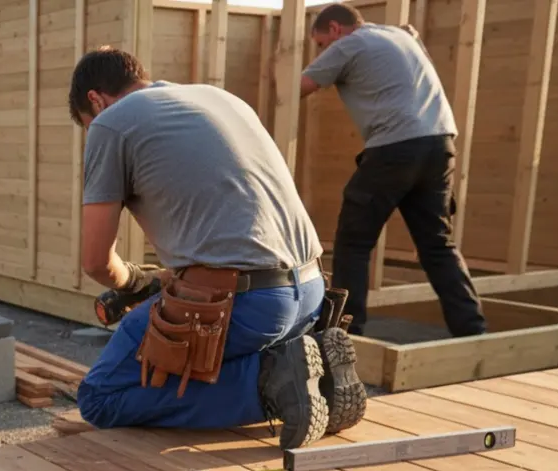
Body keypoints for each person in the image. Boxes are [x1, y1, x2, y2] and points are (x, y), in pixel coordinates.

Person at [70, 47, 365, 449]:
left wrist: (134, 280)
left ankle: (273, 385)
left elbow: (96, 262)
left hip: (244, 305)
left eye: (87, 124)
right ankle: (315, 376)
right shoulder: (222, 99)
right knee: (179, 363)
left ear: (95, 100)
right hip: (311, 294)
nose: (93, 132)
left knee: (100, 397)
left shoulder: (110, 124)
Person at [300, 3, 486, 338]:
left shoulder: (349, 44)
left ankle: (345, 334)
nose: (323, 52)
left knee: (353, 243)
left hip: (395, 148)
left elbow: (297, 87)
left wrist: (275, 69)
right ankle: (472, 331)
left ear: (335, 30)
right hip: (440, 146)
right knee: (437, 244)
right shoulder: (400, 36)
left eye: (320, 44)